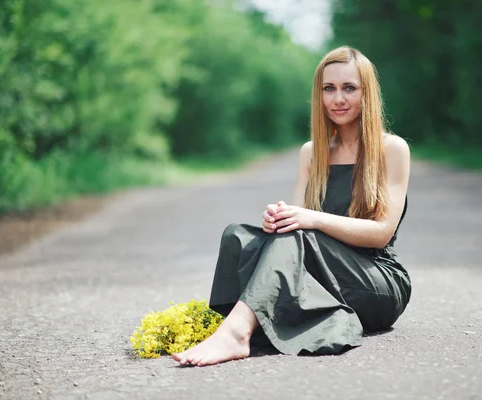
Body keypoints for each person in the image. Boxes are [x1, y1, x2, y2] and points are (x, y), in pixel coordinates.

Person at [172, 46, 412, 367]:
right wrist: (280, 220)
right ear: (319, 94)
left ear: (366, 93)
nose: (337, 98)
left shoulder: (391, 149)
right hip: (324, 275)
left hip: (375, 282)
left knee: (297, 233)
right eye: (329, 88)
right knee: (238, 236)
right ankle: (237, 323)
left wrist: (309, 218)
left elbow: (381, 233)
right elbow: (298, 238)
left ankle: (237, 333)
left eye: (349, 88)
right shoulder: (312, 153)